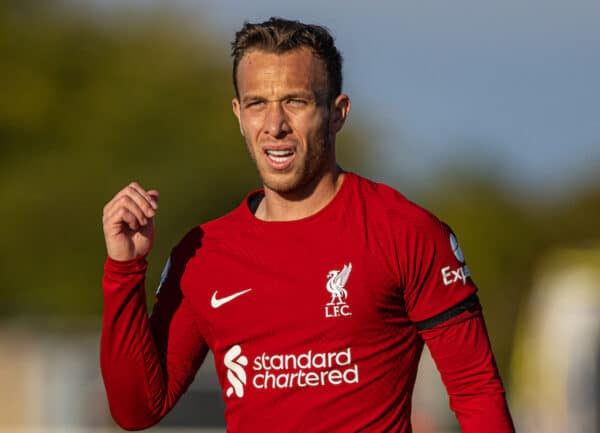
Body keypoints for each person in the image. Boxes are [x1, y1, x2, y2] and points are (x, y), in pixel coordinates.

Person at [101, 17, 515, 433]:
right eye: (257, 103)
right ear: (238, 114)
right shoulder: (204, 252)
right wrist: (124, 269)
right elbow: (137, 410)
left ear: (337, 113)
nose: (275, 125)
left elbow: (476, 391)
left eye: (295, 102)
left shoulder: (405, 231)